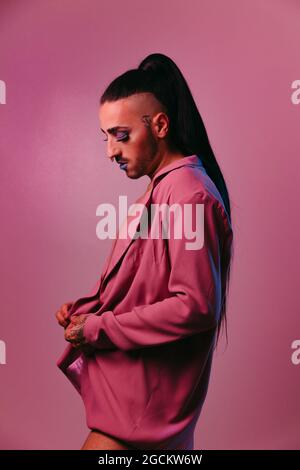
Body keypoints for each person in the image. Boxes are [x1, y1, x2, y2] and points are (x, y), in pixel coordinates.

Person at [55, 53, 234, 450]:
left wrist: (98, 329)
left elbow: (195, 305)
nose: (110, 152)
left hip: (144, 413)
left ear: (160, 125)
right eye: (104, 137)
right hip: (141, 403)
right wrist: (89, 311)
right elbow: (145, 286)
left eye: (120, 135)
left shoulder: (188, 194)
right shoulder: (161, 194)